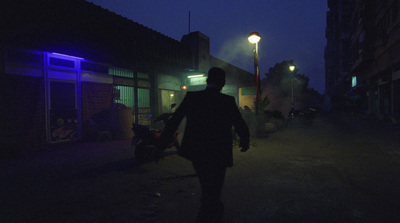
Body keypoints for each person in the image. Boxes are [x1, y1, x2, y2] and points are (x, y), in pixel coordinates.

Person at [156, 67, 250, 222]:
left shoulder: (192, 97)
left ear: (207, 81)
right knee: (213, 189)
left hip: (197, 153)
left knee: (207, 186)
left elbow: (174, 121)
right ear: (223, 83)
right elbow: (240, 124)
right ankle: (211, 213)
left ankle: (211, 212)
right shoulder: (227, 101)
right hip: (219, 154)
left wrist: (160, 146)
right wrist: (244, 140)